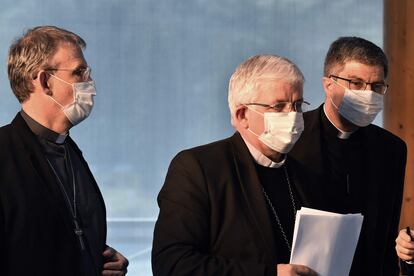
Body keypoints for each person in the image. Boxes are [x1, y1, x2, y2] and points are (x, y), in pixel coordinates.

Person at [152, 55, 317, 276]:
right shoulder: (198, 168)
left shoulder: (305, 175)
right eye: (278, 106)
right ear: (242, 115)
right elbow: (173, 264)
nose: (293, 116)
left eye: (297, 105)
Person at [0, 26, 128, 275]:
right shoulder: (4, 155)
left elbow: (65, 232)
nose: (89, 84)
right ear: (45, 81)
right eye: (79, 72)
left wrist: (99, 260)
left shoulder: (69, 152)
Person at [289, 36, 407, 275]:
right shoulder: (292, 137)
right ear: (328, 84)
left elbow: (387, 232)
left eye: (376, 87)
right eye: (356, 83)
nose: (368, 94)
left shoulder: (392, 149)